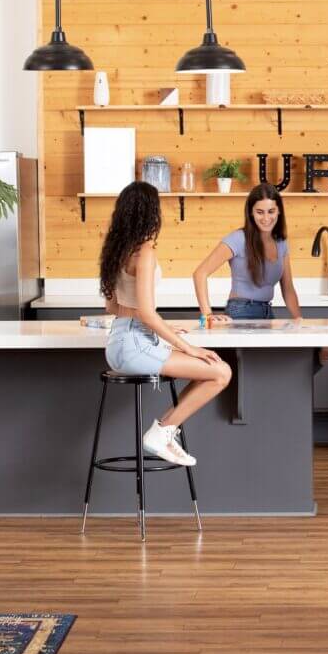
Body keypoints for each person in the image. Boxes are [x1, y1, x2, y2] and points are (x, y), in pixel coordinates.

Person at [100, 181, 231, 466]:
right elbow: (146, 312)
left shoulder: (116, 250)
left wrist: (165, 330)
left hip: (118, 344)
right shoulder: (144, 251)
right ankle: (162, 432)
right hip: (136, 344)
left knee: (209, 373)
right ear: (151, 213)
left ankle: (165, 432)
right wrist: (190, 348)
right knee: (221, 372)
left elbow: (112, 306)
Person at [193, 183, 303, 323]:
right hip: (241, 311)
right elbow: (200, 273)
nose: (266, 218)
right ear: (251, 212)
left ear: (279, 211)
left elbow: (288, 288)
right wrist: (207, 316)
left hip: (267, 313)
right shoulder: (238, 239)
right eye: (259, 212)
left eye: (271, 211)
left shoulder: (281, 243)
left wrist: (299, 318)